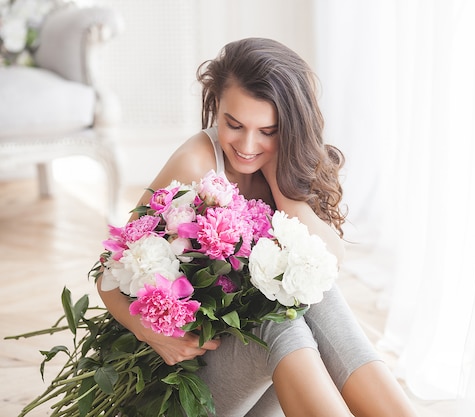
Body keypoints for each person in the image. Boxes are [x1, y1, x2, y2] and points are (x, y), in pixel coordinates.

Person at [97, 37, 418, 417]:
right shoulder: (196, 162)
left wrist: (283, 188)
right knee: (278, 324)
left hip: (259, 390)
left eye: (267, 130)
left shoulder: (284, 162)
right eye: (234, 125)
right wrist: (149, 332)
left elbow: (331, 260)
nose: (247, 145)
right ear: (216, 104)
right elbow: (109, 271)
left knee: (311, 289)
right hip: (185, 387)